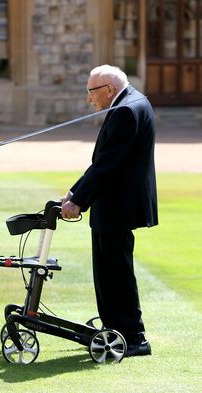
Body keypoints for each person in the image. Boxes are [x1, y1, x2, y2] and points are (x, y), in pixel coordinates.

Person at [61, 65, 158, 357]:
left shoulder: (125, 111)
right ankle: (115, 327)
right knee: (108, 272)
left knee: (115, 273)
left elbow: (108, 165)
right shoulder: (132, 102)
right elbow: (105, 161)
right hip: (114, 204)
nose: (89, 100)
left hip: (117, 205)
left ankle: (133, 337)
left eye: (91, 93)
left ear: (108, 91)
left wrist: (78, 199)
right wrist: (74, 191)